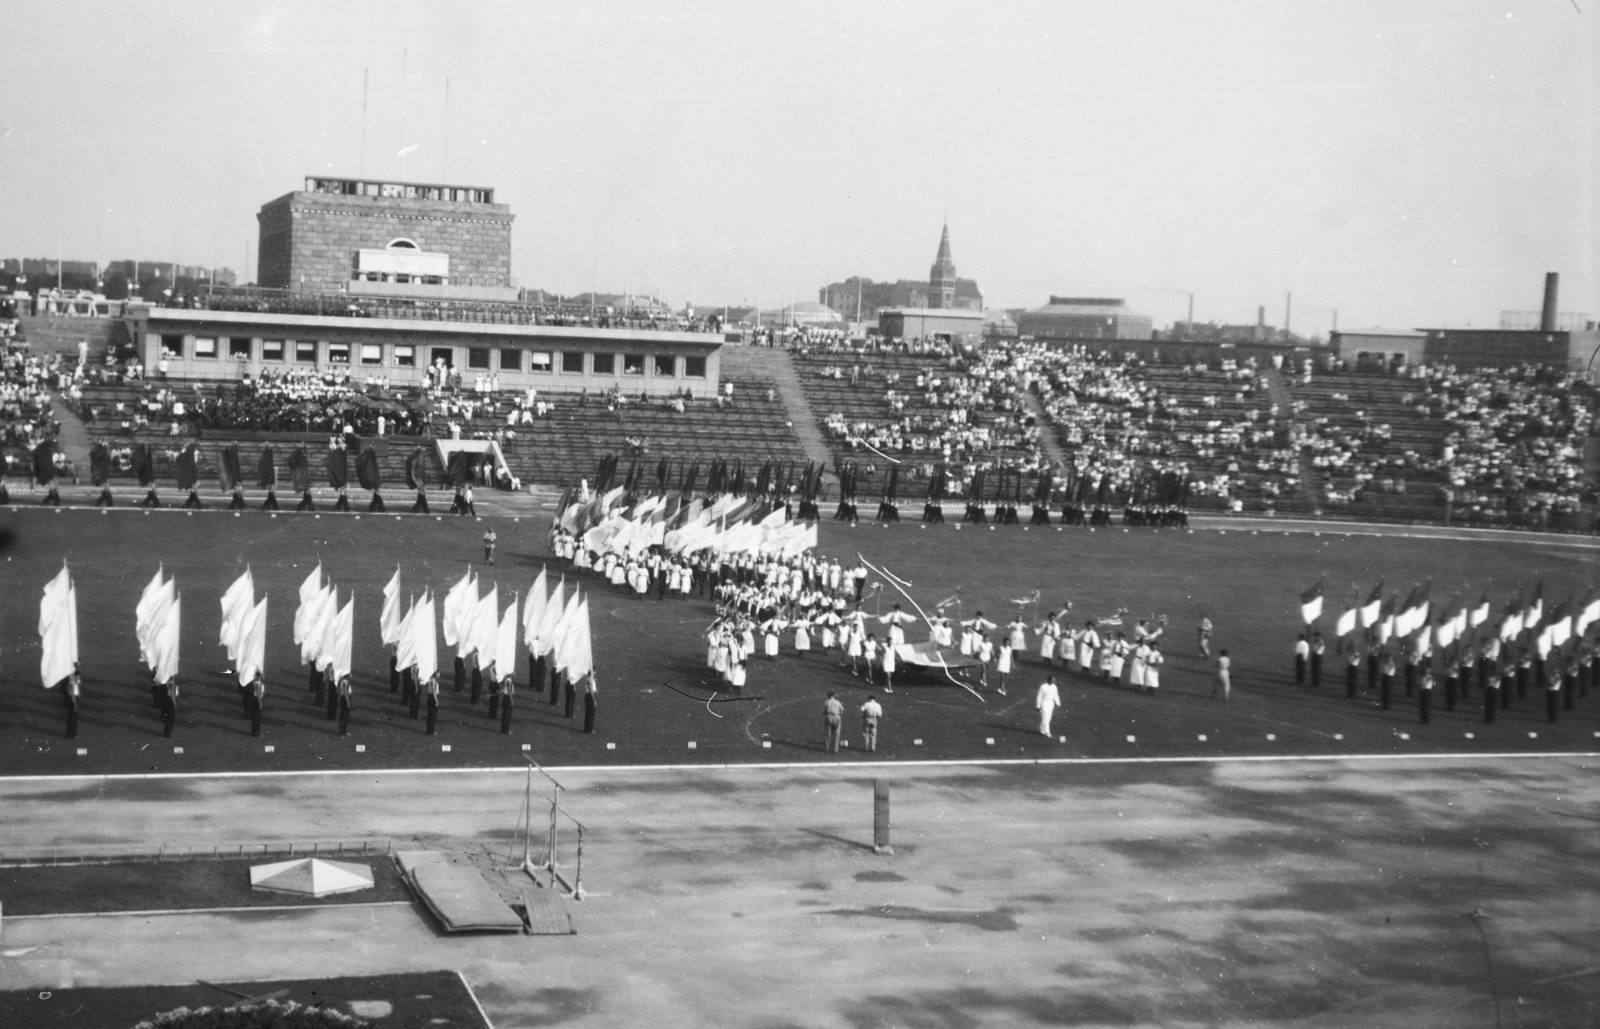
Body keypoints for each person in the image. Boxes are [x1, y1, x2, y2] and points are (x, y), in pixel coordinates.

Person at [64, 667, 82, 738]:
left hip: (75, 699)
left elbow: (78, 686)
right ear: (75, 676)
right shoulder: (71, 683)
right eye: (78, 676)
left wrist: (77, 681)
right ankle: (70, 734)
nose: (79, 677)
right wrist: (75, 704)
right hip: (73, 700)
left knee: (75, 718)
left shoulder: (75, 682)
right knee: (72, 719)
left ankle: (73, 734)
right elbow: (72, 695)